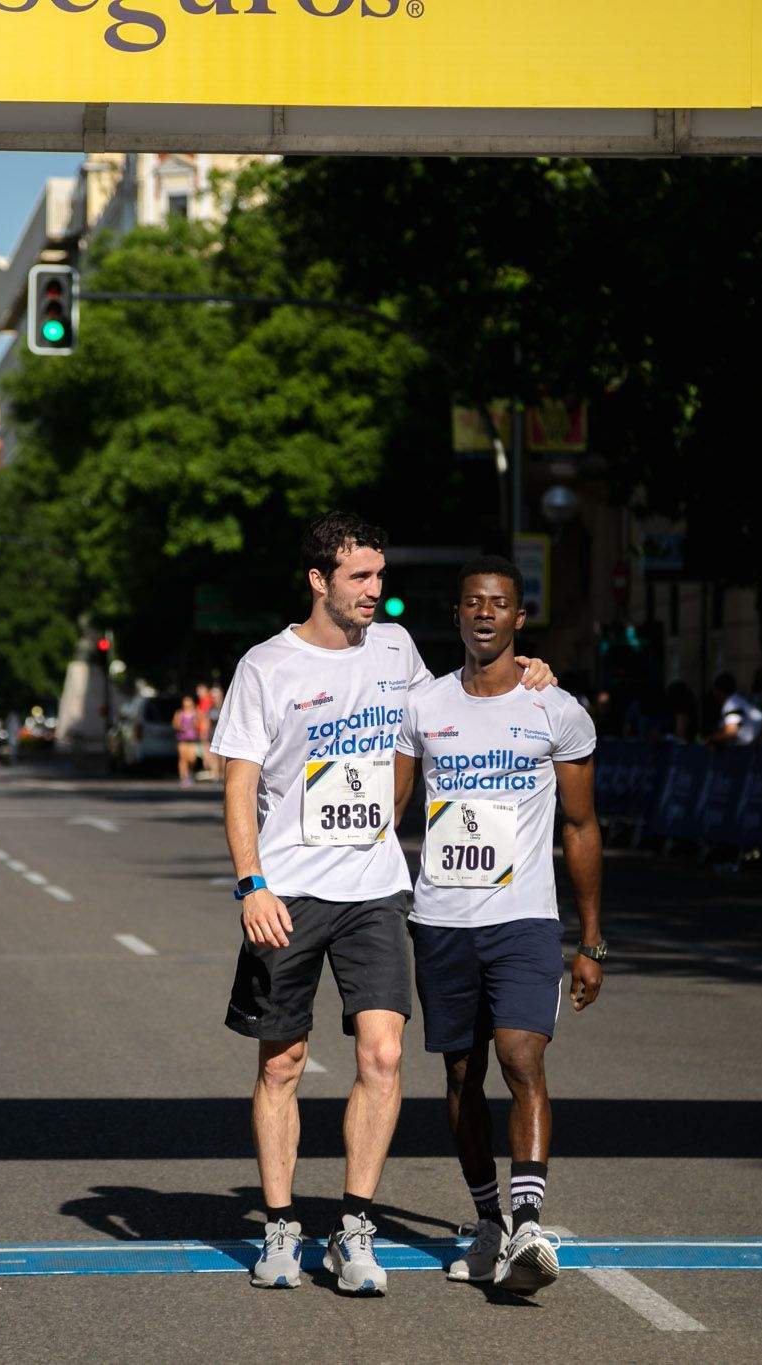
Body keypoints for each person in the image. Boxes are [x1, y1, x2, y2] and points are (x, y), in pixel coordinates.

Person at [212, 512, 552, 1297]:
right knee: (282, 1063)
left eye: (379, 574)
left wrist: (524, 671)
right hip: (288, 890)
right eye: (359, 576)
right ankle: (279, 1226)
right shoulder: (266, 666)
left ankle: (353, 1226)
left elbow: (458, 705)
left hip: (373, 888)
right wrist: (251, 882)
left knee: (384, 1055)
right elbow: (238, 781)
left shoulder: (396, 649)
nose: (375, 589)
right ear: (318, 580)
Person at [393, 556, 603, 1295]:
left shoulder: (557, 709)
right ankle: (488, 1223)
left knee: (521, 1056)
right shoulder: (423, 706)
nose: (485, 613)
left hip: (523, 919)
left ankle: (529, 1227)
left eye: (499, 603)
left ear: (519, 616)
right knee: (461, 1074)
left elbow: (580, 825)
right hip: (442, 919)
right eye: (473, 602)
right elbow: (391, 814)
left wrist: (591, 940)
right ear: (457, 614)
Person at [709, 673, 762, 747]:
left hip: (746, 749)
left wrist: (712, 739)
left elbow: (731, 731)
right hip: (751, 747)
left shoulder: (732, 704)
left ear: (718, 691)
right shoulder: (736, 700)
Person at [174, 694, 204, 788]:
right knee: (183, 759)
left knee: (192, 759)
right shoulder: (180, 713)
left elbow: (201, 724)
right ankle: (184, 777)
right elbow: (175, 724)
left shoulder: (196, 713)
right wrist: (181, 727)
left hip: (193, 740)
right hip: (182, 739)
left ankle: (190, 773)